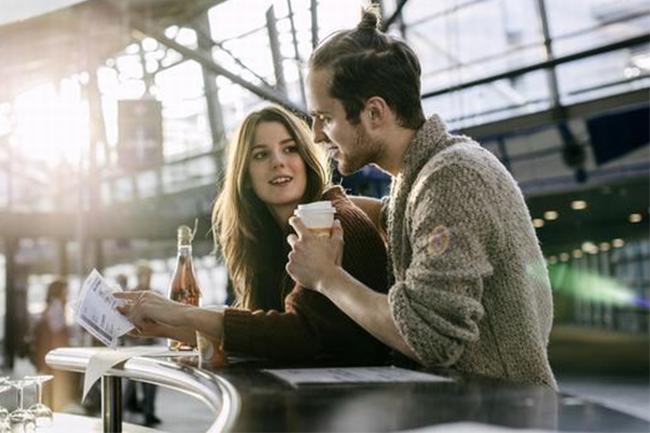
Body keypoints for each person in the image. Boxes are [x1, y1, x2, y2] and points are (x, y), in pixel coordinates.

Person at [285, 5, 557, 388]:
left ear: (374, 112)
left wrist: (326, 277)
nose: (315, 135)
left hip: (498, 418)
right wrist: (366, 214)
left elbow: (430, 339)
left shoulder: (453, 178)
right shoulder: (419, 179)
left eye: (325, 118)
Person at [116, 105, 389, 364]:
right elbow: (263, 334)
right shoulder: (274, 239)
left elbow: (300, 336)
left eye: (290, 149)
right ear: (245, 176)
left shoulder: (333, 221)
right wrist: (163, 327)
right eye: (261, 155)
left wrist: (180, 312)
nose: (278, 162)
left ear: (306, 159)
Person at [121, 266, 161, 427]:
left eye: (149, 275)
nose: (148, 278)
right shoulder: (132, 295)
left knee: (151, 380)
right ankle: (121, 411)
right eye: (145, 275)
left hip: (150, 343)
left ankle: (149, 412)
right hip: (134, 345)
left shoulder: (155, 294)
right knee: (130, 380)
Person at [29, 280, 75, 410]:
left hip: (46, 351)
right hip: (53, 352)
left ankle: (48, 408)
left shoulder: (51, 305)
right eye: (65, 291)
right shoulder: (57, 306)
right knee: (55, 384)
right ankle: (53, 410)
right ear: (59, 291)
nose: (67, 294)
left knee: (49, 384)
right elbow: (57, 331)